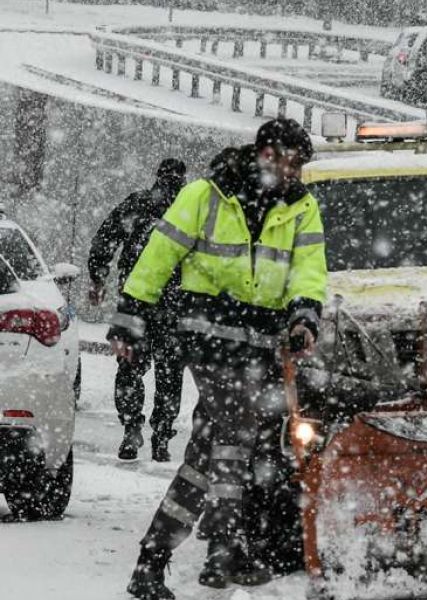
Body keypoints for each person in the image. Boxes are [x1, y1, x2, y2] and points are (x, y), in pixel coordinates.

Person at [113, 118, 327, 600]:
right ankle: (225, 548)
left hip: (260, 345)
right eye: (290, 162)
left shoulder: (301, 207)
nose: (295, 173)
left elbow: (308, 269)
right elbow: (159, 253)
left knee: (206, 455)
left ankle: (152, 561)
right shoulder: (205, 195)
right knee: (236, 435)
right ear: (266, 154)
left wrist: (304, 316)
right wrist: (131, 314)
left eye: (300, 166)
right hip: (208, 338)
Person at [90, 158, 188, 462]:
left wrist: (98, 275)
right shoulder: (188, 211)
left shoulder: (140, 203)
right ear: (182, 181)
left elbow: (106, 237)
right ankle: (161, 436)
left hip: (134, 302)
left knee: (129, 367)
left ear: (157, 177)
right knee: (170, 374)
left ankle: (132, 429)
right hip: (175, 305)